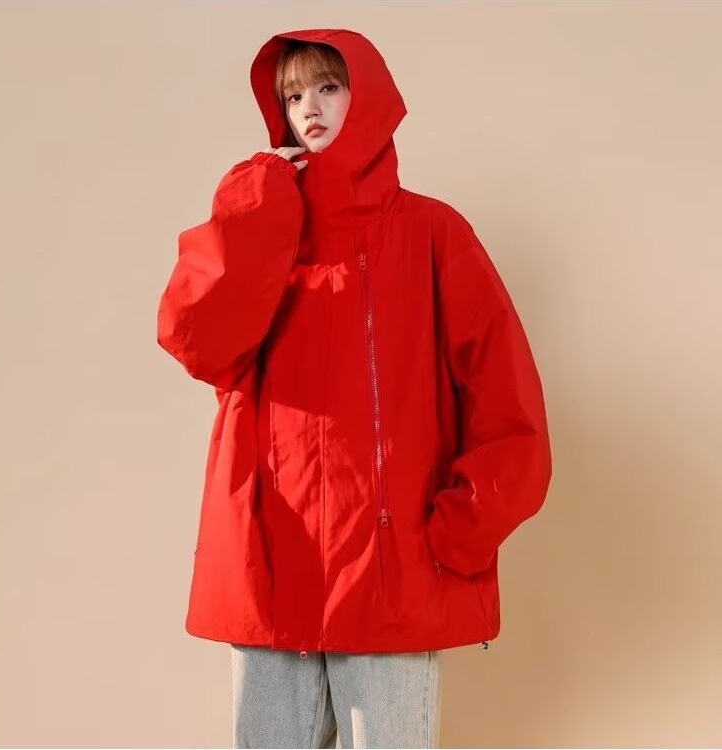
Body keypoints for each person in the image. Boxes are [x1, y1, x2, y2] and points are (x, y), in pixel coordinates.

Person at [156, 28, 552, 749]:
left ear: (368, 98)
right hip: (272, 574)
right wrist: (252, 207)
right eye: (292, 95)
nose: (308, 107)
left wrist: (454, 537)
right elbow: (195, 341)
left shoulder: (432, 234)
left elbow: (508, 407)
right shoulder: (262, 233)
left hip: (391, 581)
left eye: (328, 87)